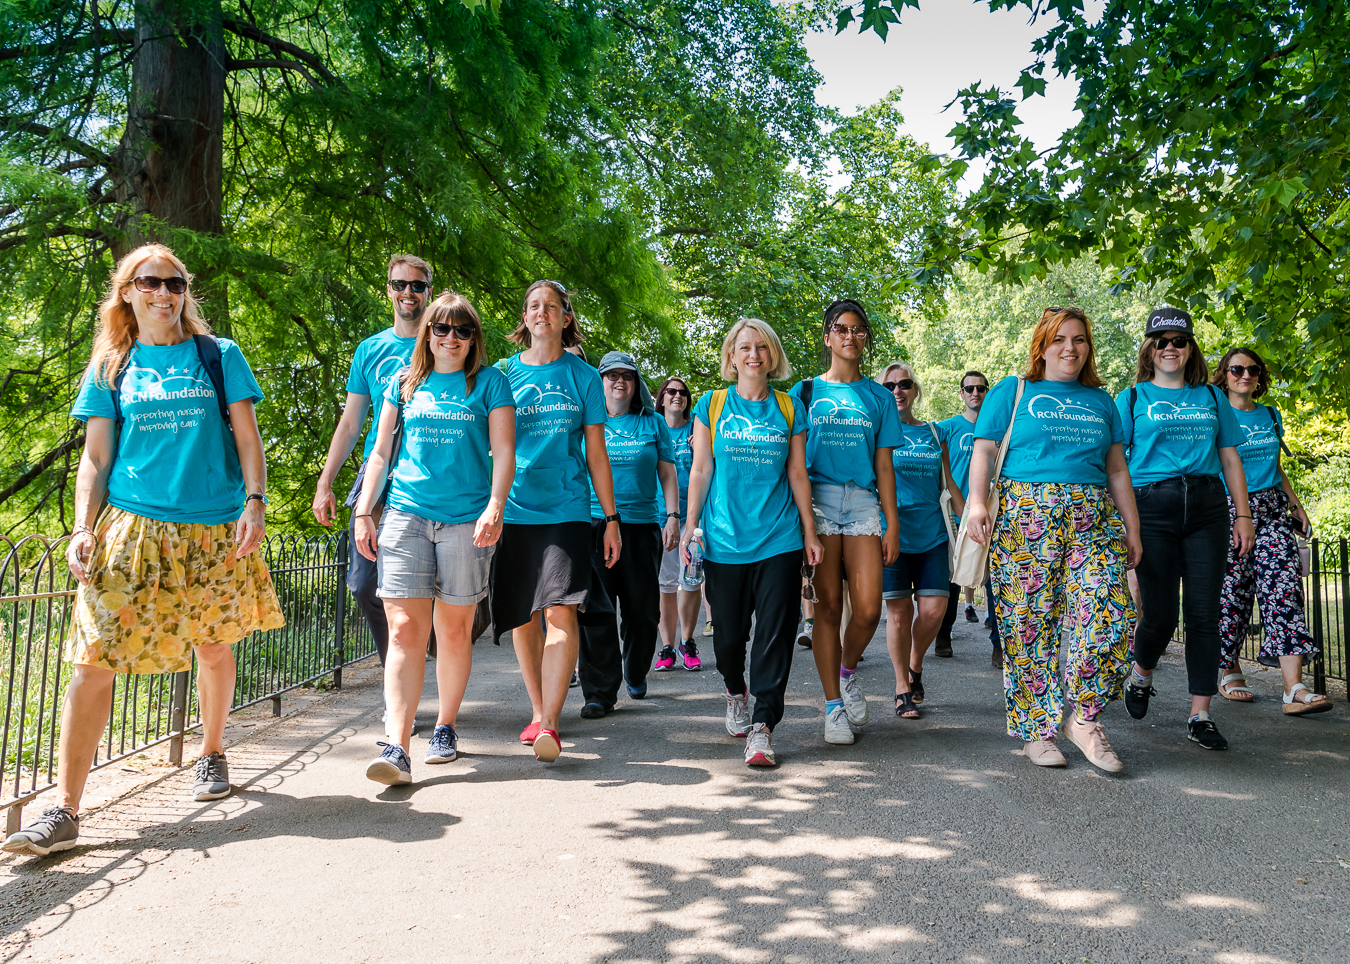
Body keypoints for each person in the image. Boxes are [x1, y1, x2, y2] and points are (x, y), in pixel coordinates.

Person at [3, 244, 284, 857]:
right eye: (150, 282)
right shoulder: (111, 365)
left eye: (175, 283)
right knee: (93, 658)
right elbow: (96, 458)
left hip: (213, 529)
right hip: (132, 528)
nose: (165, 293)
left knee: (213, 645)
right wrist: (83, 527)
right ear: (127, 292)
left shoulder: (218, 357)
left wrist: (255, 503)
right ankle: (66, 808)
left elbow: (247, 439)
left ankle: (211, 752)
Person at [967, 306, 1141, 773]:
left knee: (1110, 615)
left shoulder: (1102, 401)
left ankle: (1083, 718)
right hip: (1026, 515)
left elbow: (1117, 469)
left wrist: (1133, 527)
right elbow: (983, 449)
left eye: (1080, 339)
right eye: (1060, 339)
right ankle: (1038, 730)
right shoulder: (1012, 390)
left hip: (1094, 518)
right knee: (1029, 624)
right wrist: (978, 503)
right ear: (1041, 345)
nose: (1070, 348)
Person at [353, 293, 516, 784]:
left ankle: (445, 725)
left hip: (467, 519)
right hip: (406, 514)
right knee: (404, 630)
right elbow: (380, 453)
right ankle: (397, 745)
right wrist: (364, 509)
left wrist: (495, 506)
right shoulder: (405, 382)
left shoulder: (490, 383)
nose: (451, 338)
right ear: (427, 333)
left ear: (474, 339)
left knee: (452, 630)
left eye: (462, 330)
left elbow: (504, 452)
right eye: (441, 329)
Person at [683, 317, 823, 768]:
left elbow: (797, 473)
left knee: (775, 635)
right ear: (731, 355)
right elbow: (701, 470)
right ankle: (734, 690)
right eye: (745, 347)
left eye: (762, 347)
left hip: (779, 536)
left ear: (772, 355)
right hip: (724, 539)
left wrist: (808, 530)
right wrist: (689, 525)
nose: (753, 355)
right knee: (727, 637)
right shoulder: (712, 403)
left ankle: (762, 726)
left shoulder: (788, 408)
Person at [491, 280, 620, 763]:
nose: (541, 312)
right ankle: (537, 707)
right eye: (533, 306)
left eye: (551, 306)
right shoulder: (502, 375)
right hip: (515, 509)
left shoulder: (584, 377)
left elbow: (597, 454)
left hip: (566, 509)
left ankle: (550, 723)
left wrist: (611, 518)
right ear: (524, 319)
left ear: (566, 318)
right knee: (522, 616)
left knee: (560, 612)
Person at [1116, 308, 1255, 751]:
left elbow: (1230, 458)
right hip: (1151, 507)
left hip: (1208, 509)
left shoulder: (1212, 398)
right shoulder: (1132, 398)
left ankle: (1200, 714)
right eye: (1162, 341)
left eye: (1179, 340)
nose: (1170, 347)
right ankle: (1141, 674)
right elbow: (1114, 463)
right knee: (1158, 616)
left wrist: (1244, 514)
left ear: (1190, 347)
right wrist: (1122, 523)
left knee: (1203, 614)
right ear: (1149, 349)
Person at [312, 255, 431, 676]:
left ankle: (414, 664)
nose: (408, 293)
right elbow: (350, 423)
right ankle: (396, 675)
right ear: (389, 290)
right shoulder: (370, 350)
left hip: (431, 475)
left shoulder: (446, 341)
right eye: (400, 284)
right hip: (379, 475)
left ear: (428, 292)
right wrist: (325, 482)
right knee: (365, 584)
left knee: (435, 588)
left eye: (417, 286)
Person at [790, 300, 901, 745]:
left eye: (858, 330)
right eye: (841, 329)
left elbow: (886, 466)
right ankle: (833, 706)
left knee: (870, 607)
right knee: (828, 610)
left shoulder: (878, 397)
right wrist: (801, 523)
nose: (850, 337)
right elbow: (793, 461)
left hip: (862, 503)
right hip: (816, 499)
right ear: (827, 336)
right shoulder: (805, 392)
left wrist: (891, 523)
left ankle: (847, 670)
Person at [1211, 347, 1330, 715]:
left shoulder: (1270, 415)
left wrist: (1296, 505)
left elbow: (1275, 467)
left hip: (1272, 509)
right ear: (1225, 374)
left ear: (1260, 377)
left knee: (1284, 587)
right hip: (1230, 509)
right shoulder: (1215, 413)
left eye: (1252, 370)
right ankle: (1229, 669)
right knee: (1233, 593)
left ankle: (1293, 687)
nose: (1244, 375)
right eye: (1236, 369)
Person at [576, 352, 678, 716]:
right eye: (611, 376)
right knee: (595, 610)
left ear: (636, 385)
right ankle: (599, 693)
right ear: (599, 381)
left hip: (640, 526)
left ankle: (634, 670)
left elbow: (667, 473)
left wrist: (673, 516)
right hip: (593, 524)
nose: (619, 382)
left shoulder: (652, 423)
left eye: (627, 376)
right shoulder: (588, 421)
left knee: (642, 611)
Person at [879, 362, 964, 720]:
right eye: (890, 385)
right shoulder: (876, 434)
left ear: (915, 390)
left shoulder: (934, 432)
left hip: (932, 534)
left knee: (933, 611)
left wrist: (972, 519)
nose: (898, 390)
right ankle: (902, 687)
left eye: (905, 384)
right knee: (898, 613)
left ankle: (915, 665)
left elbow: (949, 483)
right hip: (891, 535)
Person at [936, 370, 1000, 664]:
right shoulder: (945, 428)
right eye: (969, 388)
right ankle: (943, 633)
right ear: (961, 393)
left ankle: (999, 644)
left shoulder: (999, 429)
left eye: (981, 388)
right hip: (952, 513)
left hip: (989, 513)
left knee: (994, 581)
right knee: (950, 579)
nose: (975, 393)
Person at [653, 375, 704, 672]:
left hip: (692, 520)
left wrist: (701, 446)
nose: (677, 396)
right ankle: (668, 647)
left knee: (692, 580)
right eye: (671, 391)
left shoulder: (695, 430)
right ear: (661, 398)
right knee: (666, 585)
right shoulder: (654, 429)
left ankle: (688, 641)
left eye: (683, 392)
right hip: (660, 518)